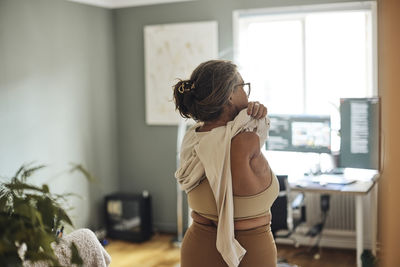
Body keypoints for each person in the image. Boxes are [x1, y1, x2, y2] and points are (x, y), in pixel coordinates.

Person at [174, 60, 279, 267]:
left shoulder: (193, 140)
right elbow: (252, 135)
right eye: (242, 87)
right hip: (249, 253)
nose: (247, 95)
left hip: (197, 247)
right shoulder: (246, 141)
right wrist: (256, 118)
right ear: (229, 95)